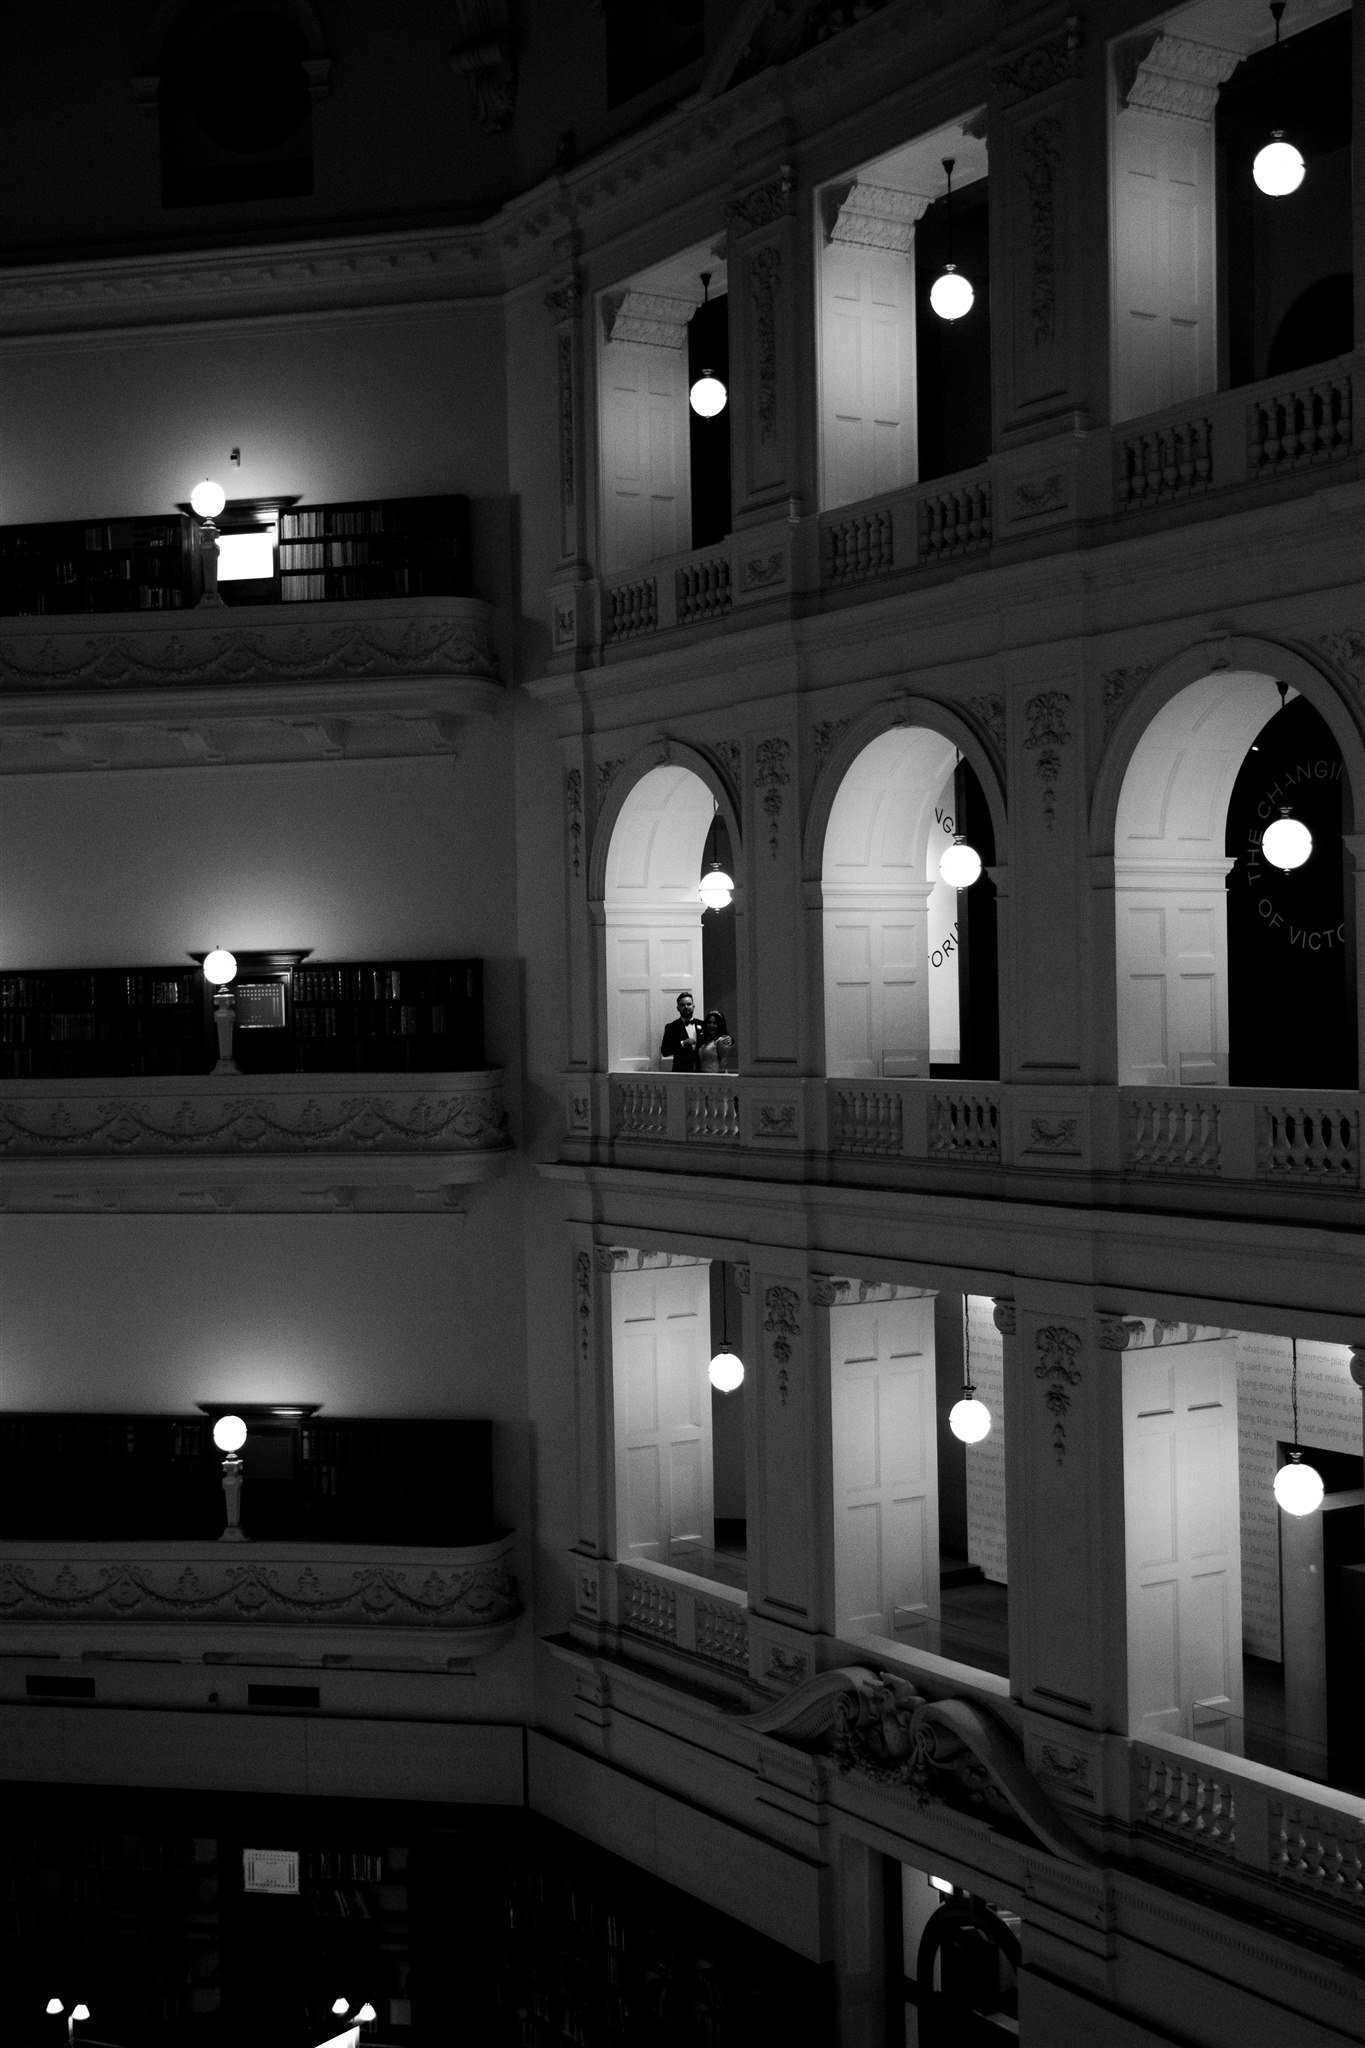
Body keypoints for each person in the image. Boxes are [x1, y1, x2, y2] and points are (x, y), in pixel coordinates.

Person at [658, 990, 702, 1071]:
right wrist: (682, 1043)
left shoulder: (703, 1024)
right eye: (682, 1005)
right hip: (680, 1072)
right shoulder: (671, 1027)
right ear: (678, 1008)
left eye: (689, 1004)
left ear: (693, 1006)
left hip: (701, 1072)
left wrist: (730, 1039)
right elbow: (665, 1051)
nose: (686, 1007)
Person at [697, 1009, 734, 1073]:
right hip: (704, 1076)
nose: (711, 1025)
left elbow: (724, 1063)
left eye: (715, 1023)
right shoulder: (706, 1040)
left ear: (720, 1025)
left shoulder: (723, 1040)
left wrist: (718, 1079)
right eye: (709, 1022)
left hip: (715, 1076)